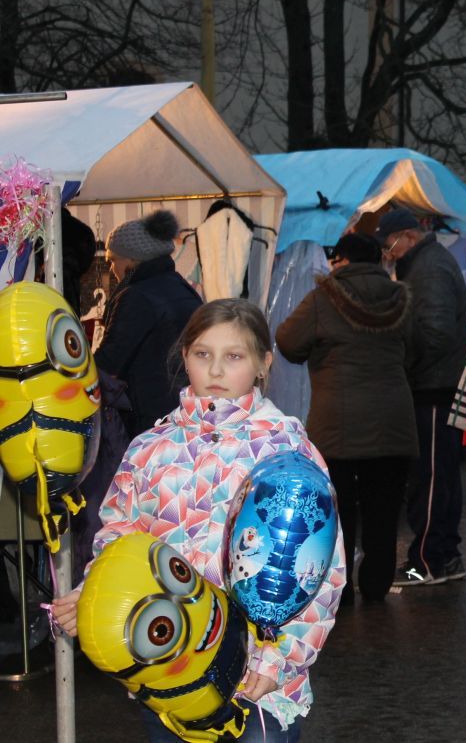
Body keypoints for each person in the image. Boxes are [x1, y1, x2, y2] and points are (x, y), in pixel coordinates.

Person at [52, 298, 345, 742]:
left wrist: (280, 659)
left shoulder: (287, 451)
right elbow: (119, 543)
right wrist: (90, 594)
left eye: (234, 356)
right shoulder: (151, 448)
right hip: (169, 672)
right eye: (203, 354)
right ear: (184, 356)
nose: (216, 371)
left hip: (256, 683)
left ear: (263, 364)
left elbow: (320, 571)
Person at [276, 233, 418, 604]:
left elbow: (288, 341)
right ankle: (376, 586)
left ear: (341, 260)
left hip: (336, 423)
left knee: (337, 511)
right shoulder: (401, 298)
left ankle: (339, 592)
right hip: (393, 419)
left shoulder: (323, 298)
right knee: (384, 508)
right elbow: (419, 348)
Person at [375, 207, 466, 587]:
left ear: (408, 237)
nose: (389, 253)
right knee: (441, 475)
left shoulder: (428, 269)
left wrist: (405, 367)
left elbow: (434, 333)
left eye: (390, 245)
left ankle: (428, 560)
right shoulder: (427, 263)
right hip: (437, 384)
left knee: (430, 477)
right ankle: (444, 555)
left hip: (433, 387)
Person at [95, 209, 202, 438]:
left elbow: (108, 363)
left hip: (149, 416)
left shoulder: (136, 296)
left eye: (113, 260)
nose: (111, 269)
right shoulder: (183, 288)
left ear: (132, 258)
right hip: (187, 409)